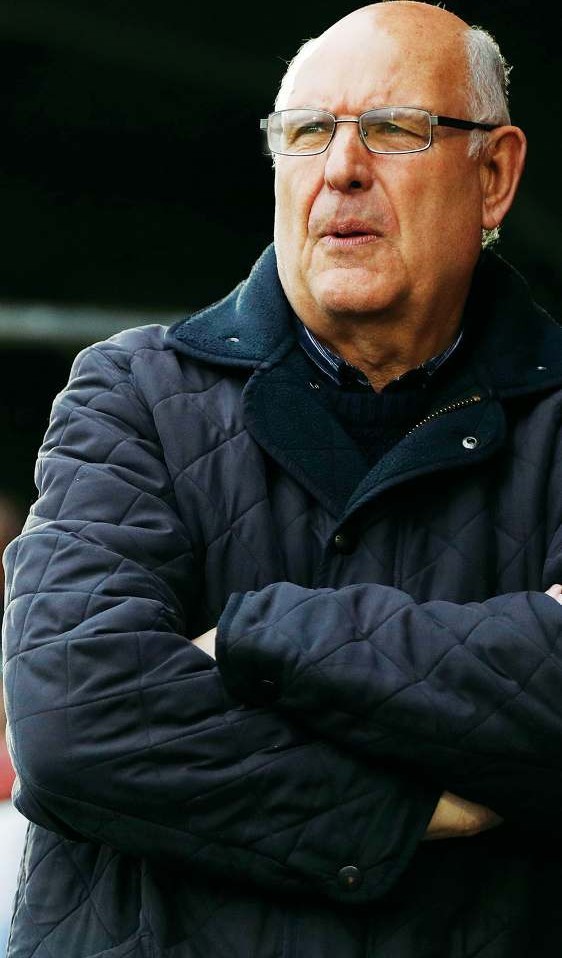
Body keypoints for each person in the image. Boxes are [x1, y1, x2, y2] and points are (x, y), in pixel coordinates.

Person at [3, 1, 562, 955]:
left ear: (494, 176)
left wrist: (264, 634)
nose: (341, 168)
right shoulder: (131, 394)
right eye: (306, 132)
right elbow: (71, 724)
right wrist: (410, 810)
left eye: (392, 128)